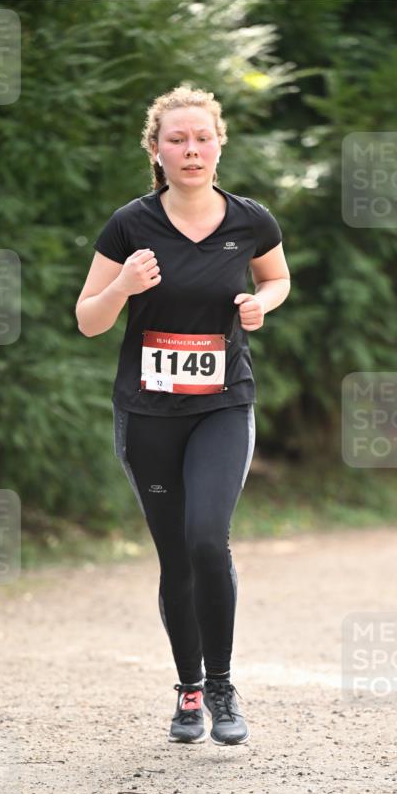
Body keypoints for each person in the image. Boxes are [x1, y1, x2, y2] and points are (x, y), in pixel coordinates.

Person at [75, 85, 290, 746]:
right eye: (176, 139)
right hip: (148, 412)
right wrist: (122, 286)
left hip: (222, 404)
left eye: (201, 137)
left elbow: (276, 278)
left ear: (219, 143)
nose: (190, 149)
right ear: (156, 150)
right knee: (175, 555)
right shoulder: (129, 224)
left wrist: (263, 305)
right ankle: (188, 690)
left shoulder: (249, 220)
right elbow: (88, 321)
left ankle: (222, 687)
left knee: (206, 538)